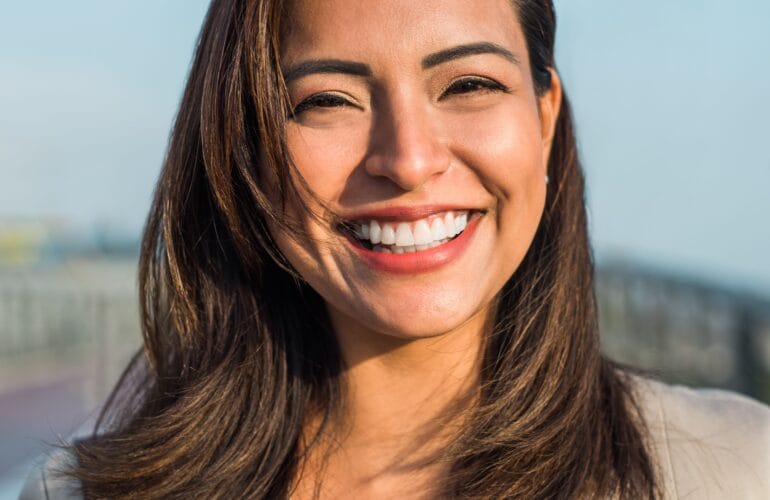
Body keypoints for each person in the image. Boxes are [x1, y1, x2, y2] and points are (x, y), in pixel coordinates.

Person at [21, 0, 770, 498]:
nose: (409, 160)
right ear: (242, 147)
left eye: (469, 84)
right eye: (327, 101)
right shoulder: (79, 491)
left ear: (545, 120)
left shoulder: (737, 472)